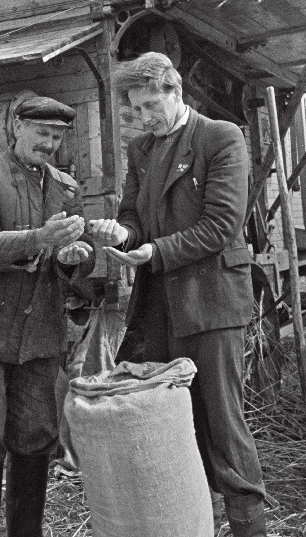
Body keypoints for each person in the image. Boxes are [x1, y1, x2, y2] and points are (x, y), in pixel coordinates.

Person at [89, 52, 267, 537]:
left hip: (210, 305)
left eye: (151, 105)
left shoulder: (220, 138)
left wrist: (153, 251)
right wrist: (120, 234)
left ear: (176, 92)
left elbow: (222, 225)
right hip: (159, 308)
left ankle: (249, 528)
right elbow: (132, 215)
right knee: (171, 425)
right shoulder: (142, 151)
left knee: (223, 430)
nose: (145, 118)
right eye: (136, 110)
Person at [0, 95, 94, 537]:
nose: (48, 144)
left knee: (36, 440)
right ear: (16, 127)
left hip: (40, 340)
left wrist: (72, 258)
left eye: (56, 136)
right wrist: (40, 237)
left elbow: (77, 269)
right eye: (41, 133)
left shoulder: (67, 188)